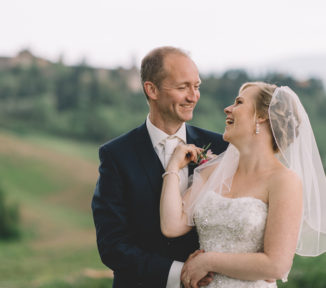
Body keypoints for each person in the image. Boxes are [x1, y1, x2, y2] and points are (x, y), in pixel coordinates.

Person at [160, 82, 326, 288]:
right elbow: (171, 225)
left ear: (262, 115)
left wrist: (208, 261)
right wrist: (173, 167)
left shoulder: (284, 181)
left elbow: (277, 265)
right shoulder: (213, 172)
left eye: (239, 102)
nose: (227, 108)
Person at [91, 46, 228, 287]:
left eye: (196, 86)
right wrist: (179, 273)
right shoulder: (115, 155)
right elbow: (112, 246)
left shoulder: (221, 147)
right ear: (152, 90)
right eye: (182, 87)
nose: (193, 96)